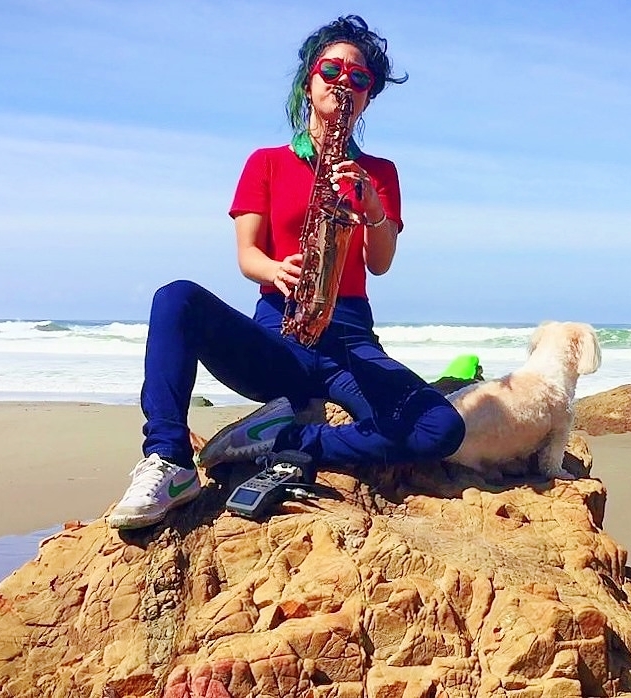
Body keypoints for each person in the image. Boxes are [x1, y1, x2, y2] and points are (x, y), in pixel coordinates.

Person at [108, 15, 466, 530]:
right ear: (308, 79)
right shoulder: (267, 162)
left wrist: (372, 208)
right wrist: (277, 270)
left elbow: (380, 263)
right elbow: (247, 255)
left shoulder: (379, 173)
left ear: (368, 97)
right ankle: (168, 460)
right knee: (176, 298)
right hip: (280, 331)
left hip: (349, 340)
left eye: (359, 78)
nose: (345, 82)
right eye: (332, 70)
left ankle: (285, 438)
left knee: (439, 429)